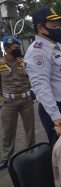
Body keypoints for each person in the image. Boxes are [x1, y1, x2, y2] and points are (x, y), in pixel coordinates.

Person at [24, 6, 61, 145]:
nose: (58, 28)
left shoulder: (55, 47)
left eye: (59, 25)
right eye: (54, 25)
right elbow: (41, 88)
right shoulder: (38, 51)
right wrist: (59, 121)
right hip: (59, 110)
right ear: (41, 28)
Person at [0, 36, 35, 170]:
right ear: (6, 49)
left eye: (18, 47)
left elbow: (32, 78)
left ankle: (30, 154)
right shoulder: (1, 64)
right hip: (9, 102)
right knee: (7, 131)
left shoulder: (24, 62)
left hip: (26, 100)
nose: (18, 50)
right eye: (15, 48)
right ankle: (6, 158)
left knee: (30, 129)